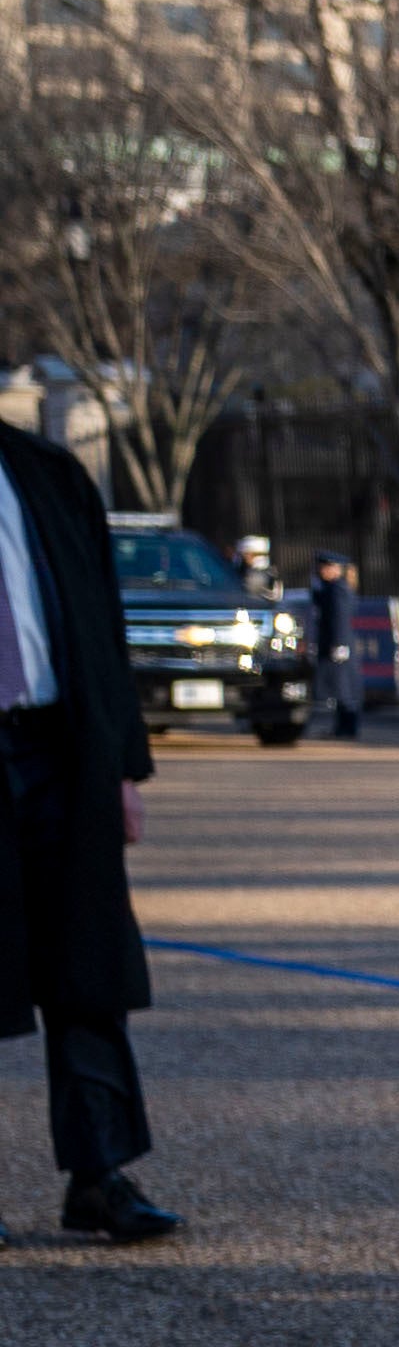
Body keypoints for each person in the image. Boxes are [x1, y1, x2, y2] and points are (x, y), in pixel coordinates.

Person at [0, 410, 173, 1242]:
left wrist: (122, 770)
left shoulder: (49, 475)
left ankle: (100, 1176)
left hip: (58, 747)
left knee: (87, 966)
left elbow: (103, 627)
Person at [301, 549, 366, 739]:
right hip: (333, 643)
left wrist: (339, 644)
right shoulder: (330, 588)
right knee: (339, 687)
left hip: (339, 643)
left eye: (327, 567)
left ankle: (349, 727)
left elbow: (340, 619)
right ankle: (341, 727)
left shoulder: (339, 589)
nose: (322, 571)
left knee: (344, 688)